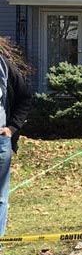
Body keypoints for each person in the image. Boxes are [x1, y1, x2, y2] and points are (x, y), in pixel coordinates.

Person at [0, 37, 32, 237]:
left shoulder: (4, 66)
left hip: (0, 142)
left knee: (0, 198)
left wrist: (11, 128)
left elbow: (24, 97)